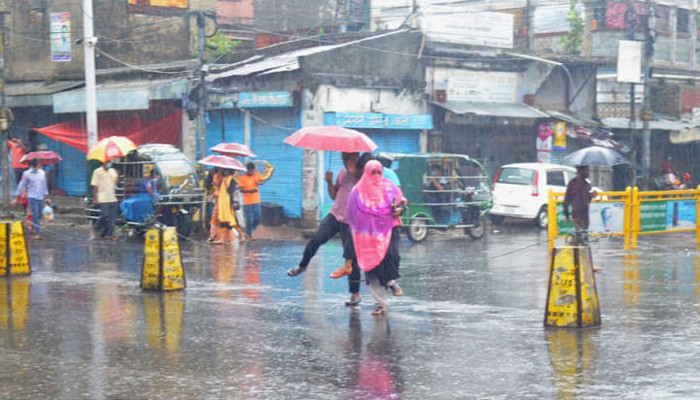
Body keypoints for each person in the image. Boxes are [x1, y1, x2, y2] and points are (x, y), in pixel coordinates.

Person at [287, 152, 364, 305]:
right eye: (343, 158)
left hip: (352, 221)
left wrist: (353, 168)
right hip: (335, 215)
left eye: (347, 158)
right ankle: (302, 266)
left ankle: (355, 294)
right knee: (316, 239)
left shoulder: (362, 178)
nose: (344, 162)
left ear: (355, 159)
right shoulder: (342, 174)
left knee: (351, 259)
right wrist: (329, 182)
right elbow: (334, 196)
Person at [347, 160, 406, 316]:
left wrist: (398, 210)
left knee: (392, 256)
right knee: (372, 269)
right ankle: (381, 303)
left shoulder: (389, 186)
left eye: (378, 172)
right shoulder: (357, 191)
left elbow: (401, 203)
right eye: (372, 172)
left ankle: (390, 280)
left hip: (389, 228)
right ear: (366, 172)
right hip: (367, 235)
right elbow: (351, 214)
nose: (375, 176)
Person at [237, 161, 273, 240]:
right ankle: (248, 234)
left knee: (258, 218)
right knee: (249, 219)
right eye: (250, 170)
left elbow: (262, 181)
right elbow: (240, 189)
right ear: (247, 170)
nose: (252, 172)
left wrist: (260, 182)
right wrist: (249, 191)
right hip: (247, 202)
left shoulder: (257, 175)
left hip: (256, 201)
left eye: (253, 170)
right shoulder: (242, 178)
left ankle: (248, 232)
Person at [209, 168, 245, 244]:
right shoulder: (224, 179)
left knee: (231, 220)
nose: (224, 172)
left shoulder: (232, 180)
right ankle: (222, 239)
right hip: (222, 202)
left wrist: (226, 183)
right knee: (222, 220)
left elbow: (230, 191)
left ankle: (241, 234)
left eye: (226, 171)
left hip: (227, 203)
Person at [563, 165, 596, 246]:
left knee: (583, 236)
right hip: (578, 214)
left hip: (585, 214)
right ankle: (570, 250)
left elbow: (587, 199)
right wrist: (567, 215)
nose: (588, 172)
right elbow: (566, 199)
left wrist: (591, 195)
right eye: (586, 170)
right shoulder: (573, 183)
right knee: (580, 236)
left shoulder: (586, 184)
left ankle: (580, 253)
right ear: (581, 171)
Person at [16, 158, 48, 239]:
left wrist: (46, 195)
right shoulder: (26, 174)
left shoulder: (42, 173)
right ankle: (38, 233)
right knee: (35, 214)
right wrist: (18, 195)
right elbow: (22, 184)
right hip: (32, 196)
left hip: (40, 196)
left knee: (39, 215)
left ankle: (33, 227)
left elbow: (44, 185)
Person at [91, 161, 119, 240]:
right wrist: (95, 198)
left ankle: (109, 234)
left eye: (109, 162)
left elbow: (115, 182)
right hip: (102, 197)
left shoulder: (112, 171)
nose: (108, 163)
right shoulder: (97, 172)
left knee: (112, 218)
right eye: (107, 162)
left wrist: (116, 176)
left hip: (112, 197)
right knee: (104, 215)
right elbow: (95, 186)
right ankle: (96, 227)